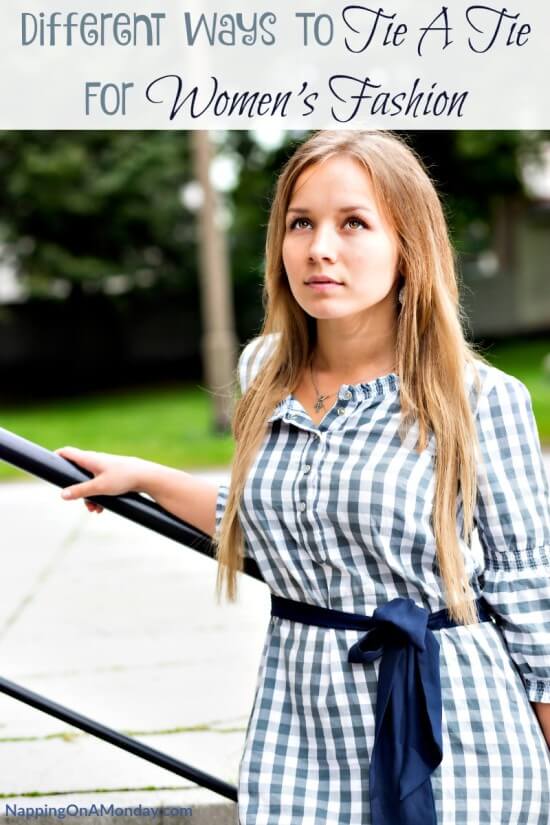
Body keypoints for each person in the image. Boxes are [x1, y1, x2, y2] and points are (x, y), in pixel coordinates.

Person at [57, 130, 550, 825]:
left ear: (408, 245)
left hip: (457, 729)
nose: (320, 246)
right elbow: (283, 522)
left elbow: (533, 598)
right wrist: (150, 478)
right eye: (301, 222)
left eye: (354, 223)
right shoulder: (265, 371)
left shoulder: (477, 398)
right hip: (300, 726)